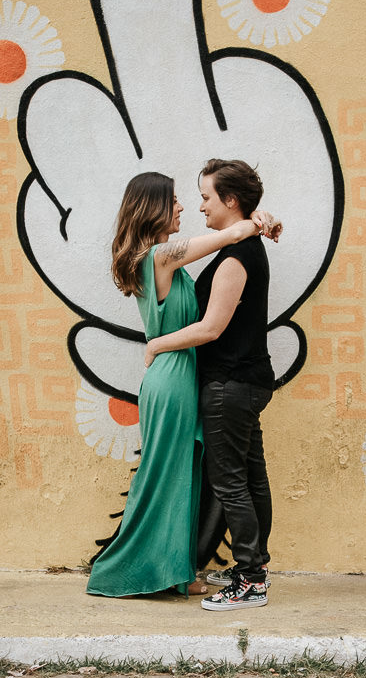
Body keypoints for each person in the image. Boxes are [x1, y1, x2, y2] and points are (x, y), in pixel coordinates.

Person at [86, 171, 275, 598]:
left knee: (182, 478)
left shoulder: (163, 258)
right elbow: (233, 234)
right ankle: (135, 569)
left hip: (179, 374)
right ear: (153, 207)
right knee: (165, 478)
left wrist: (261, 218)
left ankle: (177, 571)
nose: (183, 206)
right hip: (172, 378)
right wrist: (259, 220)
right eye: (173, 200)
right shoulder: (160, 256)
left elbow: (237, 232)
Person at [145, 160, 275, 611]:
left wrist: (157, 344)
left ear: (230, 200)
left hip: (229, 384)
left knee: (232, 482)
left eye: (206, 197)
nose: (200, 205)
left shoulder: (236, 258)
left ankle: (251, 579)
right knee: (251, 478)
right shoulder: (241, 246)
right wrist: (259, 221)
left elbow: (210, 328)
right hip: (245, 381)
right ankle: (253, 569)